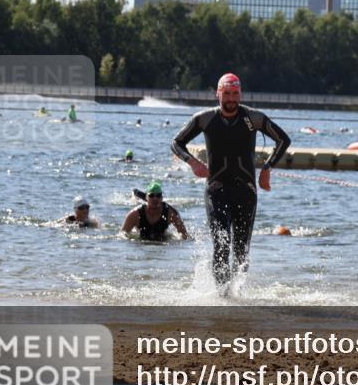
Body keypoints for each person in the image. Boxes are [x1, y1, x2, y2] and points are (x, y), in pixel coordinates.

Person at [171, 73, 291, 289]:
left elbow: (283, 140)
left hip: (246, 191)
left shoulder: (253, 118)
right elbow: (176, 143)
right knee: (221, 245)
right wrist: (193, 163)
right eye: (226, 93)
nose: (231, 99)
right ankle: (221, 296)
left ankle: (236, 293)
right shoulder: (205, 119)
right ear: (218, 94)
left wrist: (267, 168)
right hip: (216, 190)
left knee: (241, 250)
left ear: (240, 94)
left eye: (235, 93)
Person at [122, 181, 189, 241]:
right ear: (146, 197)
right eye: (151, 195)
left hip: (163, 242)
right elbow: (122, 236)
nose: (155, 198)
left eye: (158, 195)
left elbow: (185, 236)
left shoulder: (171, 213)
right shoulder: (135, 214)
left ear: (162, 198)